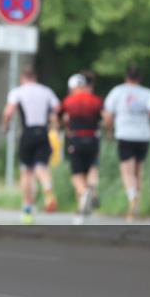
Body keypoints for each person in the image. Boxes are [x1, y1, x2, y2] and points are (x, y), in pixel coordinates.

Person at [2, 66, 61, 223]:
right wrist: (55, 125)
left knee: (26, 172)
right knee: (42, 167)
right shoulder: (46, 91)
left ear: (23, 78)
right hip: (43, 132)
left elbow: (8, 112)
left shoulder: (18, 91)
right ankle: (47, 188)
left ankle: (27, 208)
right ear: (35, 77)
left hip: (27, 133)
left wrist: (5, 126)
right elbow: (57, 109)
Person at [103, 64, 150, 222]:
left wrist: (109, 130)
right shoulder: (147, 93)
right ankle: (137, 201)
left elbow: (108, 114)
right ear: (139, 78)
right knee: (138, 170)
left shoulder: (117, 91)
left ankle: (132, 199)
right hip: (143, 135)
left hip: (125, 134)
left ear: (126, 77)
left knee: (127, 171)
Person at [60, 72, 103, 223]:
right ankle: (86, 200)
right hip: (93, 138)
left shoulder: (69, 101)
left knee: (77, 173)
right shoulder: (96, 100)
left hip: (76, 138)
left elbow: (62, 117)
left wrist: (65, 128)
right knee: (92, 168)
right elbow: (103, 117)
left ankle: (84, 193)